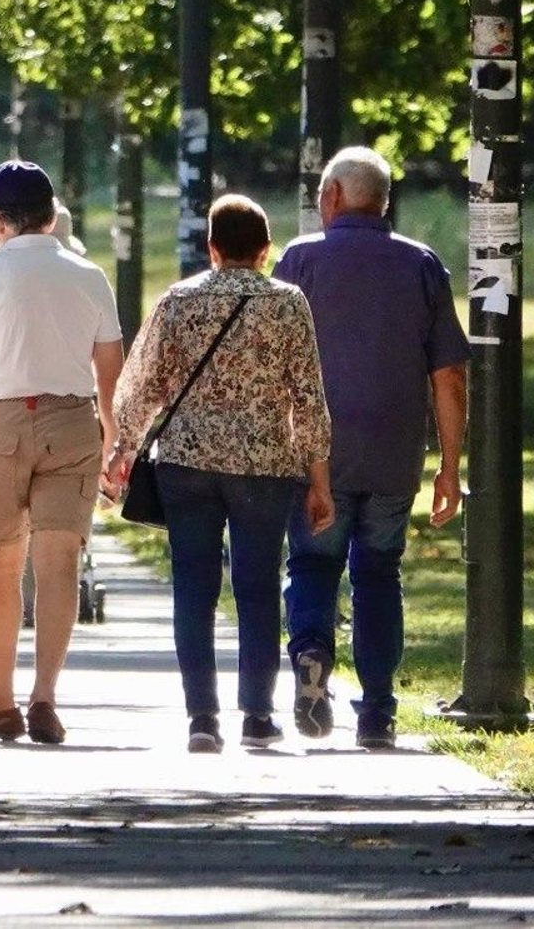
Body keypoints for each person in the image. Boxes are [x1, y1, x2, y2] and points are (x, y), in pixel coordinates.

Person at [111, 194, 334, 753]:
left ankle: (201, 719)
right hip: (264, 466)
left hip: (186, 464)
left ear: (211, 248)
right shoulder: (288, 304)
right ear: (264, 251)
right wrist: (320, 480)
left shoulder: (178, 301)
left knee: (193, 587)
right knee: (257, 587)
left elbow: (141, 386)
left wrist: (124, 447)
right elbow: (307, 397)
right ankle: (257, 715)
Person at [274, 147, 468, 750]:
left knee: (312, 563)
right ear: (384, 201)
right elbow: (450, 376)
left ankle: (311, 652)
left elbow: (272, 365)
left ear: (331, 196)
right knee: (379, 573)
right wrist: (450, 467)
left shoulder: (300, 260)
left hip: (315, 456)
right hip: (393, 452)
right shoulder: (421, 264)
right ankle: (378, 710)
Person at [0, 161, 123, 745]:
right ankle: (45, 696)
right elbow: (112, 376)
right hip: (73, 421)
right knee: (59, 562)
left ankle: (0, 697)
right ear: (51, 215)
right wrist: (116, 444)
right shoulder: (91, 278)